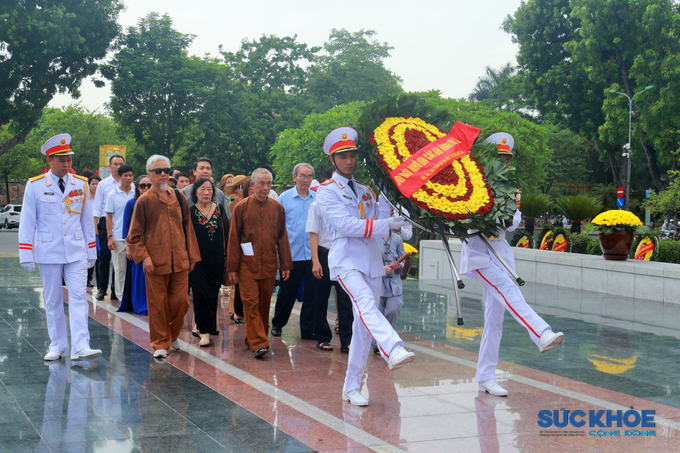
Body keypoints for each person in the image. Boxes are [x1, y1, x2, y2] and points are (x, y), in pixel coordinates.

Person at [316, 127, 415, 407]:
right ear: (333, 159)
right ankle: (392, 347)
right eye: (343, 156)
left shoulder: (366, 191)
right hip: (346, 260)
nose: (349, 161)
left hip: (372, 262)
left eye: (352, 155)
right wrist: (386, 224)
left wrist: (395, 196)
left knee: (361, 327)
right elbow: (346, 226)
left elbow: (387, 222)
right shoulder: (325, 191)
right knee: (365, 306)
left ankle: (351, 387)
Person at [460, 132, 564, 397]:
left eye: (507, 159)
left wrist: (502, 218)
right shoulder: (473, 184)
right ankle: (540, 332)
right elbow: (463, 220)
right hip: (479, 252)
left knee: (495, 319)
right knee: (508, 290)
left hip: (501, 251)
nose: (504, 164)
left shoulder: (511, 189)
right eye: (500, 158)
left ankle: (485, 375)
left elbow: (514, 221)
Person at [18, 133, 102, 361]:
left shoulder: (81, 184)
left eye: (69, 160)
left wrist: (91, 251)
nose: (66, 165)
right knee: (53, 300)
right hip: (49, 251)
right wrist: (26, 253)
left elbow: (86, 220)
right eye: (61, 160)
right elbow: (27, 220)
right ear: (50, 161)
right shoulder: (35, 185)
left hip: (75, 250)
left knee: (78, 296)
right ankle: (57, 344)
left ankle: (80, 346)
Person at [126, 155, 201, 359]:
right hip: (155, 263)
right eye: (158, 171)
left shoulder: (178, 197)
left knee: (181, 301)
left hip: (180, 260)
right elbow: (133, 236)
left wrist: (192, 256)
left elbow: (188, 227)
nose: (163, 175)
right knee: (158, 304)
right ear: (150, 174)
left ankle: (171, 334)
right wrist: (145, 258)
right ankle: (160, 343)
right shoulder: (144, 201)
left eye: (166, 171)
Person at [227, 168, 293, 358]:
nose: (265, 187)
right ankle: (259, 342)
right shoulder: (242, 208)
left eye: (269, 183)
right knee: (251, 302)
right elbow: (233, 239)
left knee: (264, 304)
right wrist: (232, 268)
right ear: (253, 185)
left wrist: (286, 264)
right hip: (246, 265)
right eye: (261, 183)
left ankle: (254, 338)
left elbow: (282, 238)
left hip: (269, 264)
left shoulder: (277, 207)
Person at [306, 171, 354, 353]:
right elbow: (313, 234)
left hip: (343, 254)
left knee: (345, 299)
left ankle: (346, 340)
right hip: (323, 254)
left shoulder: (348, 204)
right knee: (320, 298)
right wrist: (315, 262)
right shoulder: (316, 205)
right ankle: (322, 337)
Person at [271, 163, 317, 340]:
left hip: (312, 255)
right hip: (291, 255)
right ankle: (278, 324)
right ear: (294, 177)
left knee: (312, 294)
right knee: (287, 292)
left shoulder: (317, 198)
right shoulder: (284, 198)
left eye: (309, 176)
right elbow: (277, 227)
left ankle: (308, 329)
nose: (306, 180)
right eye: (302, 176)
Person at [188, 178, 230, 347]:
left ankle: (207, 326)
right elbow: (187, 236)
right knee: (200, 294)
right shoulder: (190, 211)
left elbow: (227, 233)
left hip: (217, 260)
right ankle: (204, 331)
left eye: (209, 190)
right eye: (202, 189)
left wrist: (227, 257)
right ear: (195, 192)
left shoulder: (219, 209)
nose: (206, 193)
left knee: (212, 295)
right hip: (197, 261)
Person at [93, 154, 134, 301]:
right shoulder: (104, 185)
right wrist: (96, 227)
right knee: (105, 257)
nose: (117, 166)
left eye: (120, 164)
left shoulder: (134, 189)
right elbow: (97, 207)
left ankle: (117, 291)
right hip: (108, 225)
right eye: (115, 164)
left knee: (124, 265)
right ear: (110, 166)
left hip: (129, 228)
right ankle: (102, 288)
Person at [118, 175, 152, 315]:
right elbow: (126, 228)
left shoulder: (156, 202)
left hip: (153, 246)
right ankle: (140, 304)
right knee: (139, 277)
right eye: (142, 186)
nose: (146, 188)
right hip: (137, 245)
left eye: (149, 185)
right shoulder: (131, 204)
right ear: (137, 188)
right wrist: (129, 248)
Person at [372, 230, 406, 355]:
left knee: (393, 310)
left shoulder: (397, 239)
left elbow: (402, 258)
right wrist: (381, 269)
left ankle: (388, 343)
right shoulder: (372, 238)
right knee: (377, 314)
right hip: (377, 282)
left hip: (394, 284)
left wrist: (399, 265)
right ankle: (376, 344)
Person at [105, 164, 135, 301]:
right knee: (120, 269)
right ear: (119, 177)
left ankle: (134, 296)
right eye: (125, 176)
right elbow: (109, 217)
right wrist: (110, 237)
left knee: (134, 270)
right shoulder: (112, 195)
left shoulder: (137, 191)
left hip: (135, 236)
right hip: (118, 237)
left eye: (130, 175)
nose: (128, 178)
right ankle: (121, 297)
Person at [180, 157, 231, 223]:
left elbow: (226, 218)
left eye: (208, 168)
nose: (205, 171)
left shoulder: (219, 193)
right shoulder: (183, 193)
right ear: (194, 172)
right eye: (202, 168)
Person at [87, 175, 102, 288]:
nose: (95, 186)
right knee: (88, 255)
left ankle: (97, 280)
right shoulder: (85, 198)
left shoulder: (102, 198)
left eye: (97, 184)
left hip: (100, 230)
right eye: (93, 184)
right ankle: (87, 278)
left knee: (99, 255)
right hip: (88, 231)